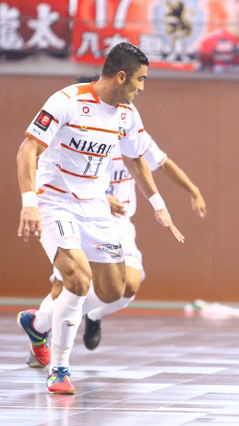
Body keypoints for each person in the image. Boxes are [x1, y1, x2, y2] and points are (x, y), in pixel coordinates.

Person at [16, 42, 184, 394]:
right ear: (121, 76)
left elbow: (135, 158)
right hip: (55, 202)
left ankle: (39, 322)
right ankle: (59, 369)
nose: (142, 87)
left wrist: (157, 203)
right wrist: (29, 202)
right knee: (77, 280)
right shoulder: (67, 101)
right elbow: (28, 149)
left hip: (95, 207)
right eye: (140, 79)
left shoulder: (127, 115)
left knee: (113, 291)